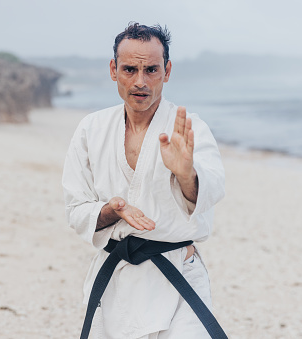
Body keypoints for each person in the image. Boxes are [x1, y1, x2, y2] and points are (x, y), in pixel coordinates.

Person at [62, 23, 226, 339]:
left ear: (167, 70)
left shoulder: (190, 129)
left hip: (177, 275)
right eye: (129, 69)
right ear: (113, 69)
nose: (140, 81)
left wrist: (185, 173)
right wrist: (111, 210)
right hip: (116, 278)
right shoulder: (91, 129)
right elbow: (76, 208)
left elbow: (213, 189)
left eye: (151, 69)